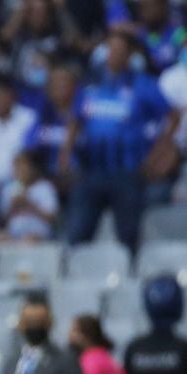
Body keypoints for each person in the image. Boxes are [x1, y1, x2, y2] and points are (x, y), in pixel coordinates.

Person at [61, 29, 178, 251]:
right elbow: (76, 120)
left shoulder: (143, 84)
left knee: (127, 235)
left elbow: (173, 116)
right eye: (110, 49)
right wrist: (66, 151)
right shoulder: (90, 83)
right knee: (77, 233)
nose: (113, 55)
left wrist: (160, 153)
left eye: (119, 50)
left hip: (128, 172)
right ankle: (76, 275)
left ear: (129, 55)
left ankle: (131, 275)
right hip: (91, 171)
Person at [0, 149, 58, 242]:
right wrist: (13, 207)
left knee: (29, 240)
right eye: (16, 167)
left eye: (23, 166)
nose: (20, 171)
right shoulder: (9, 189)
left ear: (34, 168)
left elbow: (52, 218)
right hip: (13, 234)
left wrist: (29, 204)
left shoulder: (44, 188)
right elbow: (4, 220)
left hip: (39, 233)